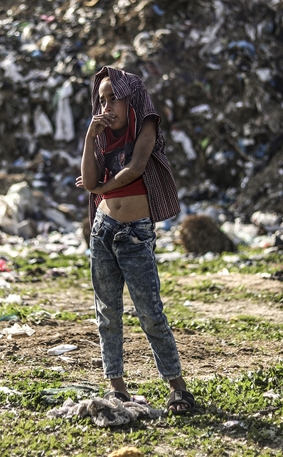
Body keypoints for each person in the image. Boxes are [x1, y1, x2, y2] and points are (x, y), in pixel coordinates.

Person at [77, 66, 195, 414]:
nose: (108, 106)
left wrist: (99, 188)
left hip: (134, 234)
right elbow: (88, 177)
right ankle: (117, 387)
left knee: (150, 313)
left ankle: (177, 388)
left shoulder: (146, 125)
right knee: (107, 313)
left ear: (133, 99)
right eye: (103, 100)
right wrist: (88, 138)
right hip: (103, 231)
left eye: (115, 98)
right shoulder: (100, 136)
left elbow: (136, 167)